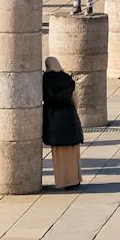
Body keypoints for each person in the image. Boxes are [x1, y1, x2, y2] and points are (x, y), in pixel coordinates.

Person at [42, 54, 85, 189]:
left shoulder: (45, 80)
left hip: (53, 119)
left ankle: (64, 181)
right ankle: (75, 180)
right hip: (70, 117)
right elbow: (75, 99)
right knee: (72, 152)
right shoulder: (67, 78)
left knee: (59, 154)